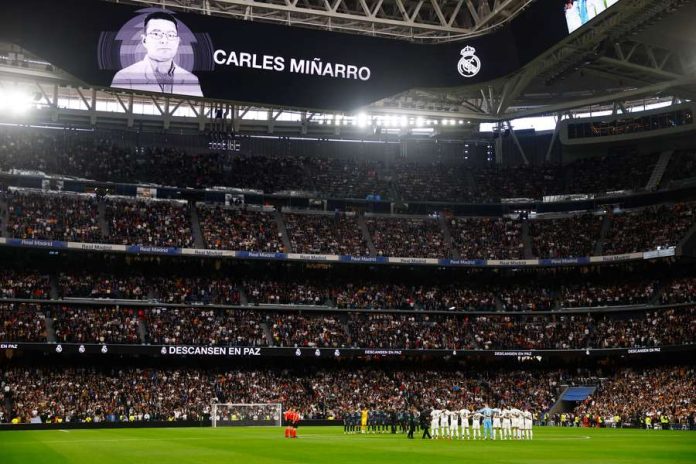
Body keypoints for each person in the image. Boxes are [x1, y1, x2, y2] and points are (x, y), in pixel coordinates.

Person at [111, 12, 203, 97]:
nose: (164, 40)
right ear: (144, 40)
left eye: (170, 35)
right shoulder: (125, 77)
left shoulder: (191, 80)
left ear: (177, 41)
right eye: (156, 34)